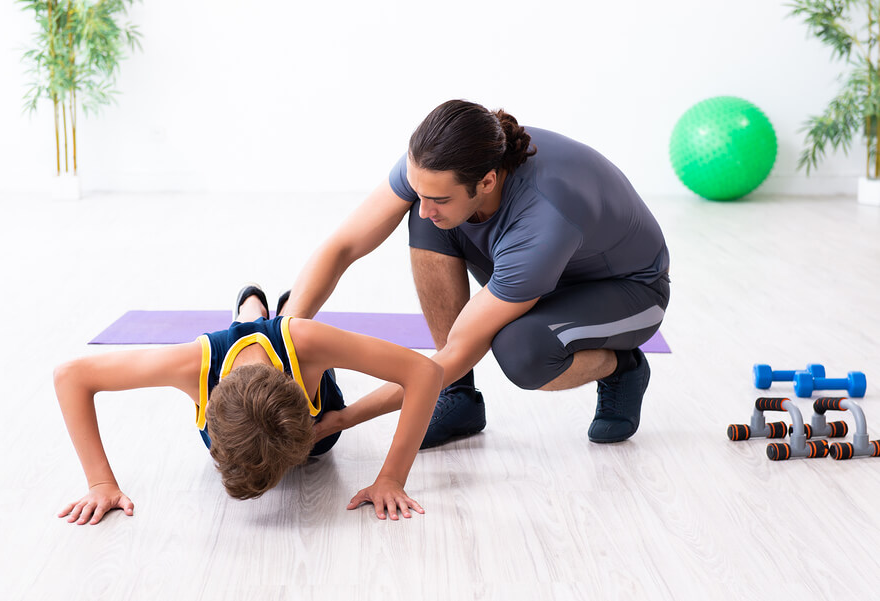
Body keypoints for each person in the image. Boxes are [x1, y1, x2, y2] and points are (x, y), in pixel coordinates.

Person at [281, 99, 670, 449]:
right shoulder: (437, 165)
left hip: (627, 291)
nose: (424, 206)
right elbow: (343, 246)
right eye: (421, 192)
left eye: (439, 198)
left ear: (487, 181)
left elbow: (455, 353)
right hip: (538, 270)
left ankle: (624, 367)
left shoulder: (544, 219)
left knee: (523, 351)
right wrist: (281, 335)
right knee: (431, 222)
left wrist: (345, 419)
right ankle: (458, 399)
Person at [54, 284, 443, 525]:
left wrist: (390, 475)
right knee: (251, 326)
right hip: (241, 398)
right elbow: (71, 376)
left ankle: (288, 306)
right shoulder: (192, 365)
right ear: (209, 407)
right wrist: (100, 483)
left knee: (297, 330)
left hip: (317, 423)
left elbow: (425, 373)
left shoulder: (307, 345)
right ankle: (250, 311)